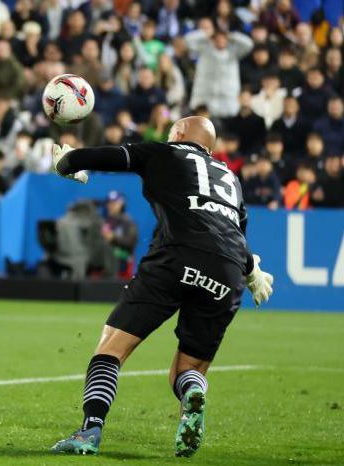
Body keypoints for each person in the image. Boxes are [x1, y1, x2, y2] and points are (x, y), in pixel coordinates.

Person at [49, 116, 274, 457]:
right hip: (227, 272)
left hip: (177, 257)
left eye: (173, 129)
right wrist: (251, 269)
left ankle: (89, 431)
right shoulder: (230, 177)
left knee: (110, 347)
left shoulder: (164, 153)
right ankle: (191, 395)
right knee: (187, 370)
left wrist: (67, 161)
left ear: (181, 134)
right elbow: (234, 234)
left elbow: (102, 156)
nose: (169, 133)